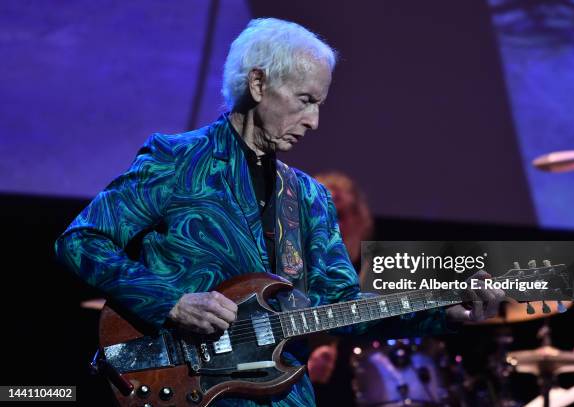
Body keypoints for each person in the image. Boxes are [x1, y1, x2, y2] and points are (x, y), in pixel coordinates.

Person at [55, 18, 504, 406]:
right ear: (258, 84)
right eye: (305, 100)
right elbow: (81, 241)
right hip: (181, 384)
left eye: (320, 104)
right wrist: (170, 302)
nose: (314, 121)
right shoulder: (177, 161)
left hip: (283, 396)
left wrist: (441, 310)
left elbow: (342, 306)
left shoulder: (310, 197)